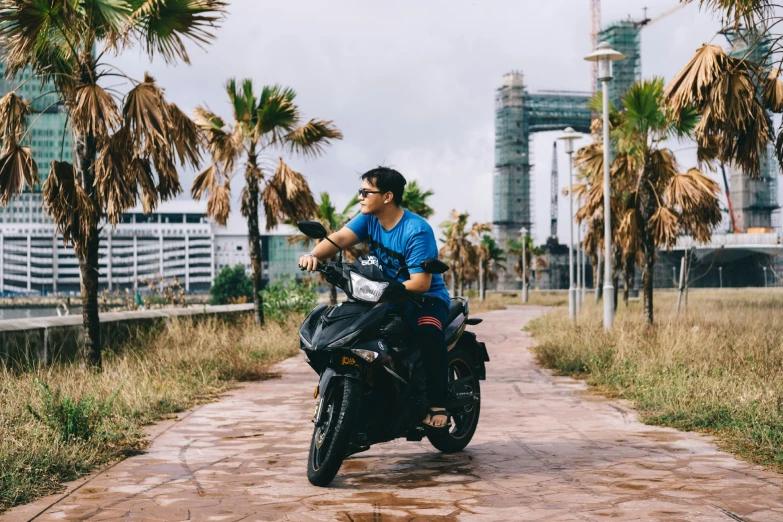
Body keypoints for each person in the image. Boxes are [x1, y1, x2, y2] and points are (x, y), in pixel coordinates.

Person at [299, 167, 451, 429]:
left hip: (424, 299)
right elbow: (339, 238)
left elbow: (421, 282)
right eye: (360, 191)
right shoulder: (369, 219)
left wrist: (389, 289)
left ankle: (439, 403)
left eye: (366, 192)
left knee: (428, 333)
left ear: (388, 197)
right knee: (349, 332)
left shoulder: (416, 230)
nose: (360, 197)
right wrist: (314, 255)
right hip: (383, 295)